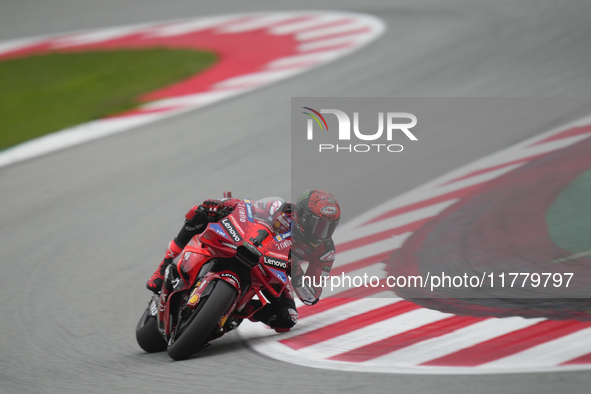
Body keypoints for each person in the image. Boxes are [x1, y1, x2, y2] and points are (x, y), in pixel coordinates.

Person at [146, 190, 341, 331]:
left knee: (287, 319)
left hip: (273, 270)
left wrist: (296, 272)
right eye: (319, 225)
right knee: (199, 211)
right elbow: (247, 206)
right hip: (248, 244)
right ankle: (162, 267)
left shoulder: (325, 251)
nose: (323, 233)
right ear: (303, 218)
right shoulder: (280, 210)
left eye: (329, 227)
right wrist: (221, 204)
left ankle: (236, 312)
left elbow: (311, 295)